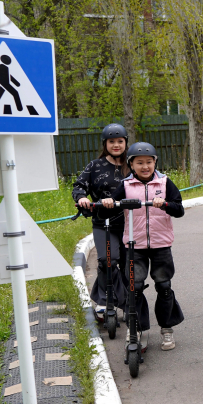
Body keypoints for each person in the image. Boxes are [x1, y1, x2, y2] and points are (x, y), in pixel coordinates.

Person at [104, 142, 185, 351]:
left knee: (164, 287)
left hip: (161, 244)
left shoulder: (165, 183)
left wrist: (165, 204)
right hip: (134, 245)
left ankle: (167, 328)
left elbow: (179, 209)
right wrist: (108, 203)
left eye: (149, 162)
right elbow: (110, 207)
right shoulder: (126, 185)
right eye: (139, 163)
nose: (145, 166)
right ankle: (136, 328)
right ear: (131, 165)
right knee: (135, 288)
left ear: (155, 162)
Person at [72, 123, 130, 319]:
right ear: (105, 144)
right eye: (111, 142)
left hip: (131, 223)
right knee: (108, 260)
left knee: (128, 263)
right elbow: (79, 186)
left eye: (119, 141)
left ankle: (127, 301)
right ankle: (105, 301)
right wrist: (81, 198)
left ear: (125, 143)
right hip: (103, 223)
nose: (116, 145)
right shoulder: (95, 166)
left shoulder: (133, 164)